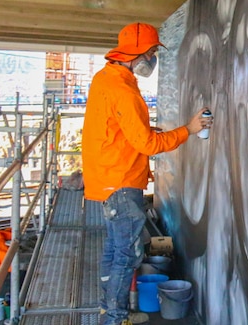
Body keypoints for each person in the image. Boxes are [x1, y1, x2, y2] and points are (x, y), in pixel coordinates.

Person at [81, 22, 210, 325]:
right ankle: (115, 319)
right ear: (137, 54)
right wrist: (188, 130)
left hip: (107, 179)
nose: (153, 59)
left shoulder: (105, 79)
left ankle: (108, 311)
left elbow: (116, 130)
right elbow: (147, 145)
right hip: (122, 182)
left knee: (114, 252)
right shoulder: (123, 90)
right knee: (126, 257)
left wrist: (146, 130)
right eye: (152, 52)